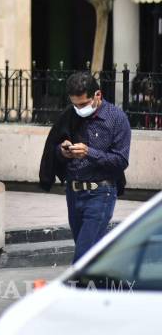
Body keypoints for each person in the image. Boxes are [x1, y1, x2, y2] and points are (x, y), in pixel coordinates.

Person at [39, 71, 131, 262]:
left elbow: (121, 161)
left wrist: (89, 152)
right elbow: (54, 147)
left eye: (83, 104)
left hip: (101, 192)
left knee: (83, 254)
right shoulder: (69, 115)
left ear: (98, 95)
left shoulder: (116, 118)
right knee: (91, 254)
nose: (79, 109)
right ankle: (103, 279)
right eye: (75, 104)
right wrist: (62, 151)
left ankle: (76, 281)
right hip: (73, 192)